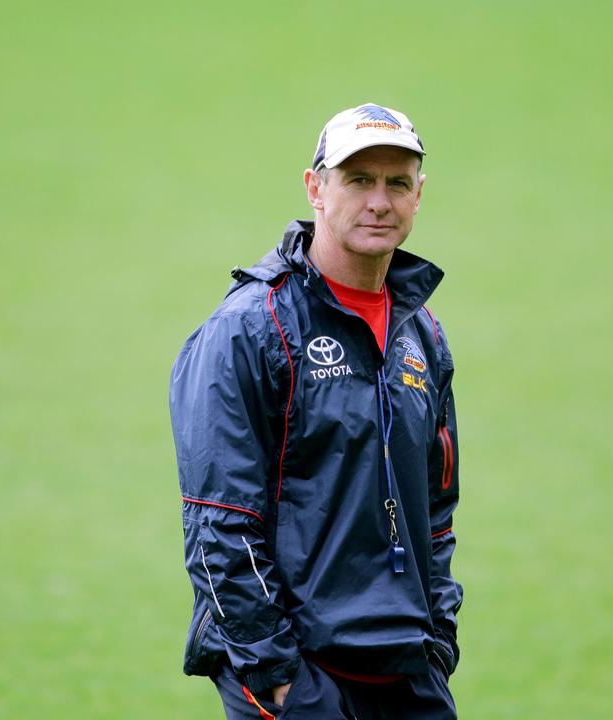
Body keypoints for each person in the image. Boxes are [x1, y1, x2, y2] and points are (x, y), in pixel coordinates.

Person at [169, 103, 463, 719]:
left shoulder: (423, 334)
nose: (379, 201)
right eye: (358, 180)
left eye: (397, 183)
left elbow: (436, 507)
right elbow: (218, 521)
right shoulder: (249, 330)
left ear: (419, 195)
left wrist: (438, 639)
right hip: (302, 680)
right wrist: (274, 675)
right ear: (316, 188)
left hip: (407, 670)